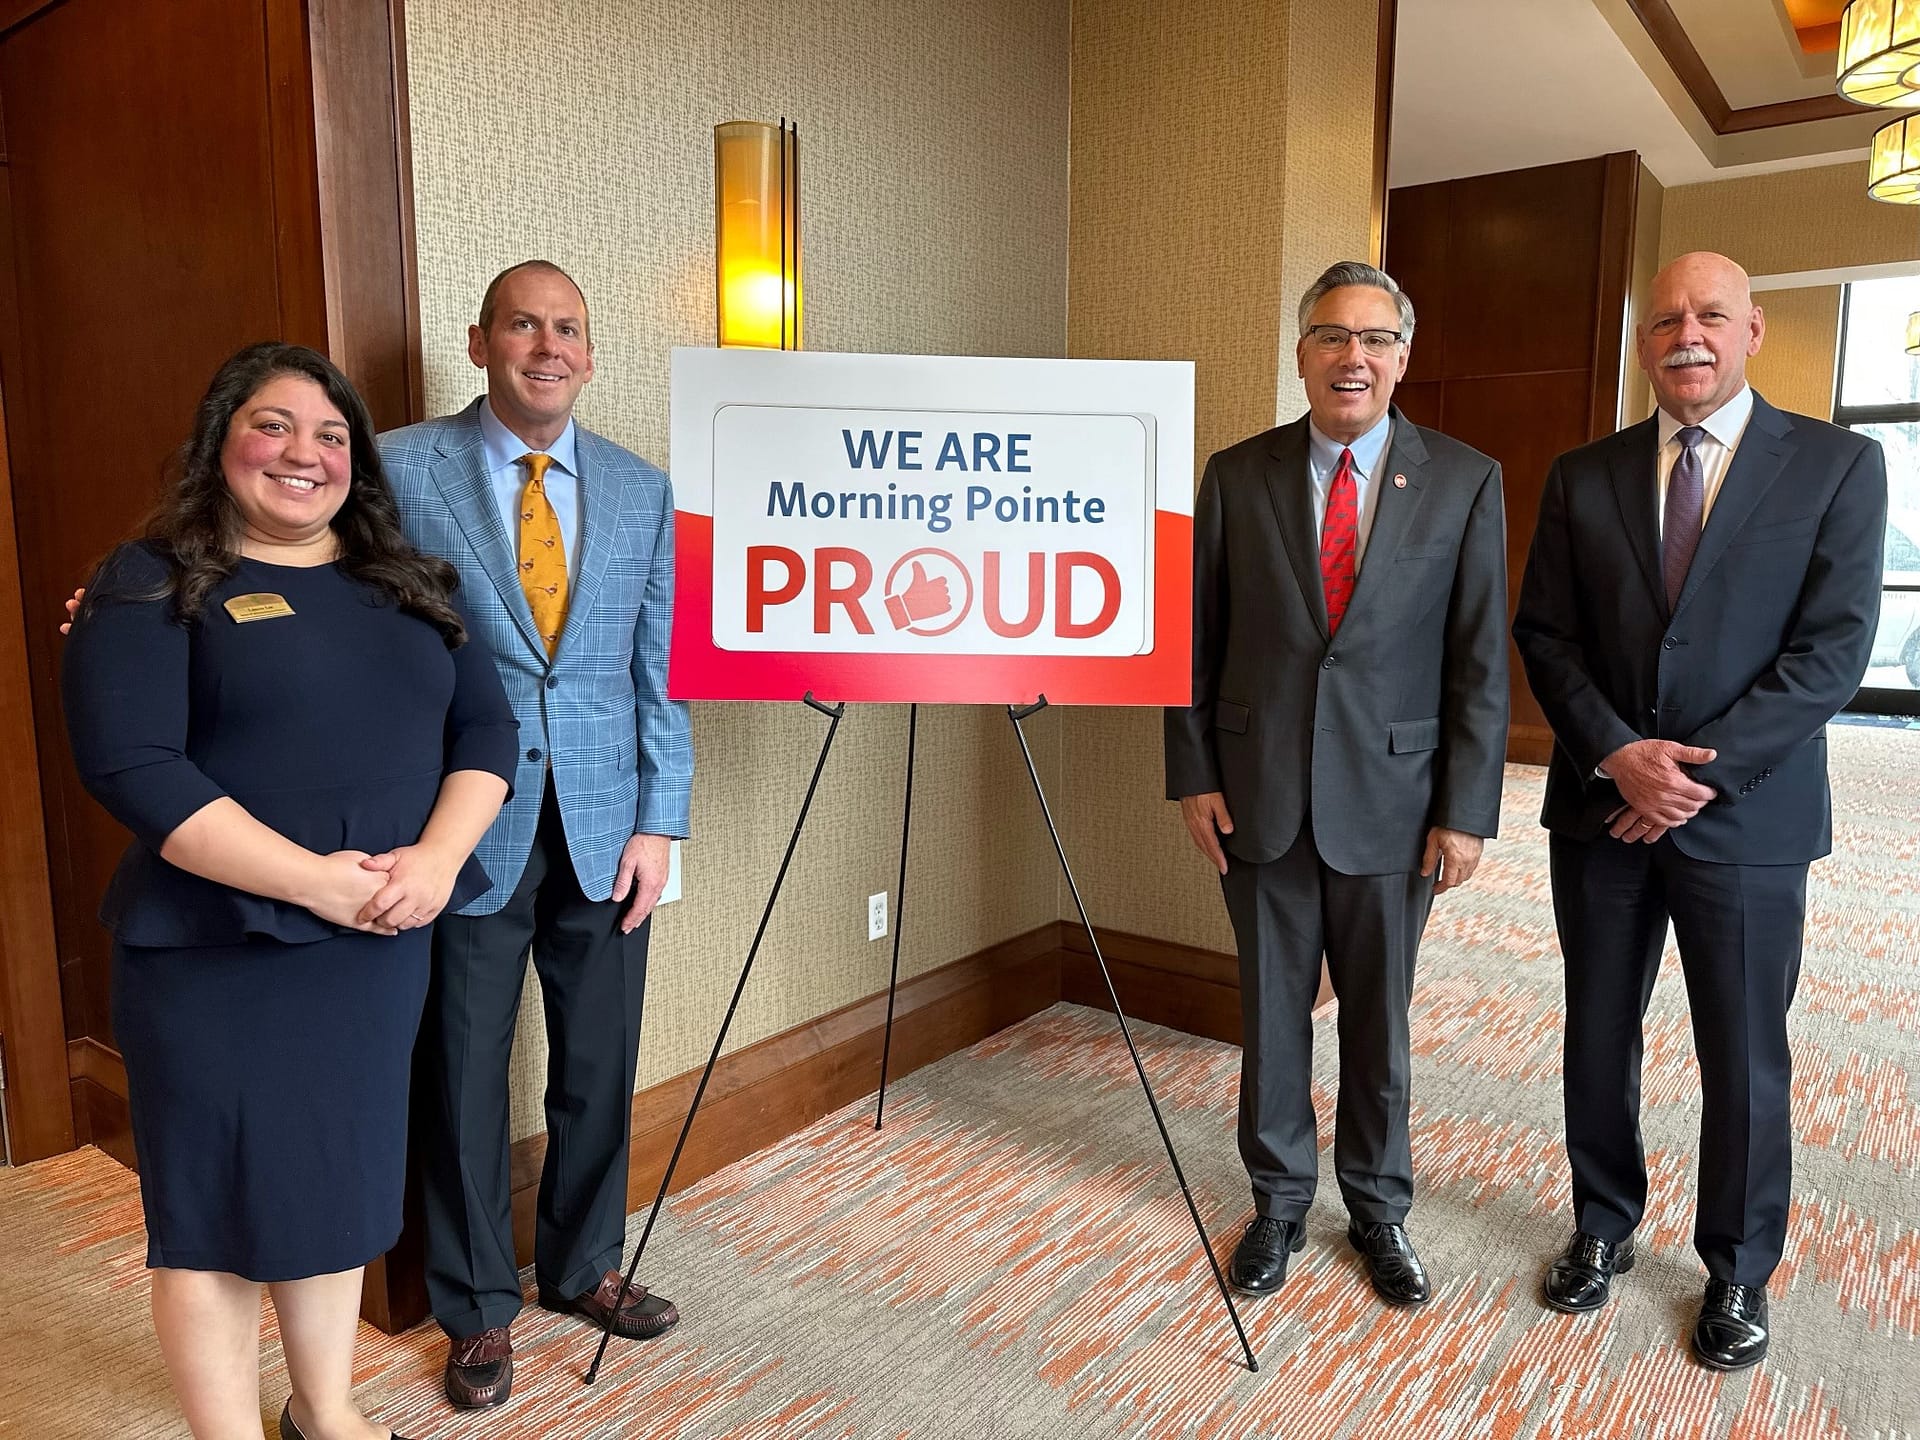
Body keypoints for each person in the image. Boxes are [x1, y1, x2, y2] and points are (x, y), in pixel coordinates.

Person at [61, 342, 516, 1440]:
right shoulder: (149, 580)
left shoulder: (409, 583)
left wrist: (440, 859)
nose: (302, 453)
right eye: (272, 425)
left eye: (329, 434)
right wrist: (314, 882)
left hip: (377, 947)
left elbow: (487, 728)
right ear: (221, 439)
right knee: (214, 1220)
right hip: (221, 954)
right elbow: (135, 766)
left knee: (337, 1193)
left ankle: (326, 1411)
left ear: (356, 462)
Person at [1512, 251, 1886, 1371]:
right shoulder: (1584, 474)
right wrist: (1620, 756)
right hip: (1601, 814)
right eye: (1668, 318)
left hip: (1750, 821)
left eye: (1711, 315)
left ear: (1753, 330)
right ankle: (1601, 1224)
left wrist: (1688, 779)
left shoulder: (1837, 465)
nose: (1689, 333)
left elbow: (1832, 654)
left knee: (1743, 1050)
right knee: (1597, 1031)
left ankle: (1737, 1266)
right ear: (1645, 342)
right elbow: (1547, 635)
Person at [378, 260, 693, 1409]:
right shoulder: (402, 466)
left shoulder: (641, 489)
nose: (546, 345)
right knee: (459, 1068)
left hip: (608, 821)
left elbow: (659, 677)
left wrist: (663, 821)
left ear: (590, 353)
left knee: (599, 1060)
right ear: (481, 342)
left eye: (567, 328)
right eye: (524, 324)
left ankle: (583, 1264)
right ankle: (472, 1311)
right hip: (460, 822)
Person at [1165, 261, 1510, 1305]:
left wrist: (1465, 809)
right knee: (1273, 1013)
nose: (1351, 357)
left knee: (1379, 1021)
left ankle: (1377, 1207)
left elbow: (1479, 657)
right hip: (1258, 791)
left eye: (1374, 338)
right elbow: (1195, 640)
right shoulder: (1237, 473)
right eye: (1330, 336)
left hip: (1398, 806)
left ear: (1403, 356)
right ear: (1302, 353)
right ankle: (1276, 1203)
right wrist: (1194, 777)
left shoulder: (1463, 478)